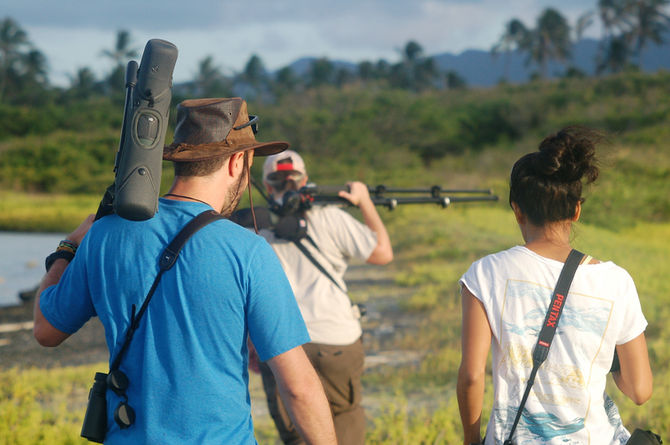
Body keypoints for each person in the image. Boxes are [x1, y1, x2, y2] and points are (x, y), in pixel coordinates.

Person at [33, 98, 337, 445]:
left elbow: (45, 331)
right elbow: (298, 388)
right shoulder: (249, 251)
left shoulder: (103, 234)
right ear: (237, 162)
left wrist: (67, 248)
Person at [457, 126, 653, 445]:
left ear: (517, 210)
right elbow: (640, 391)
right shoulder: (616, 281)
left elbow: (471, 376)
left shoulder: (484, 274)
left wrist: (471, 439)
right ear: (576, 210)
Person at [254, 150, 393, 445]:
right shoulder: (330, 217)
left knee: (297, 430)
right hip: (337, 338)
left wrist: (252, 344)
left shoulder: (255, 225)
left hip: (282, 342)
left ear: (267, 186)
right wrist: (365, 201)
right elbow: (382, 253)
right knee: (344, 414)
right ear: (304, 180)